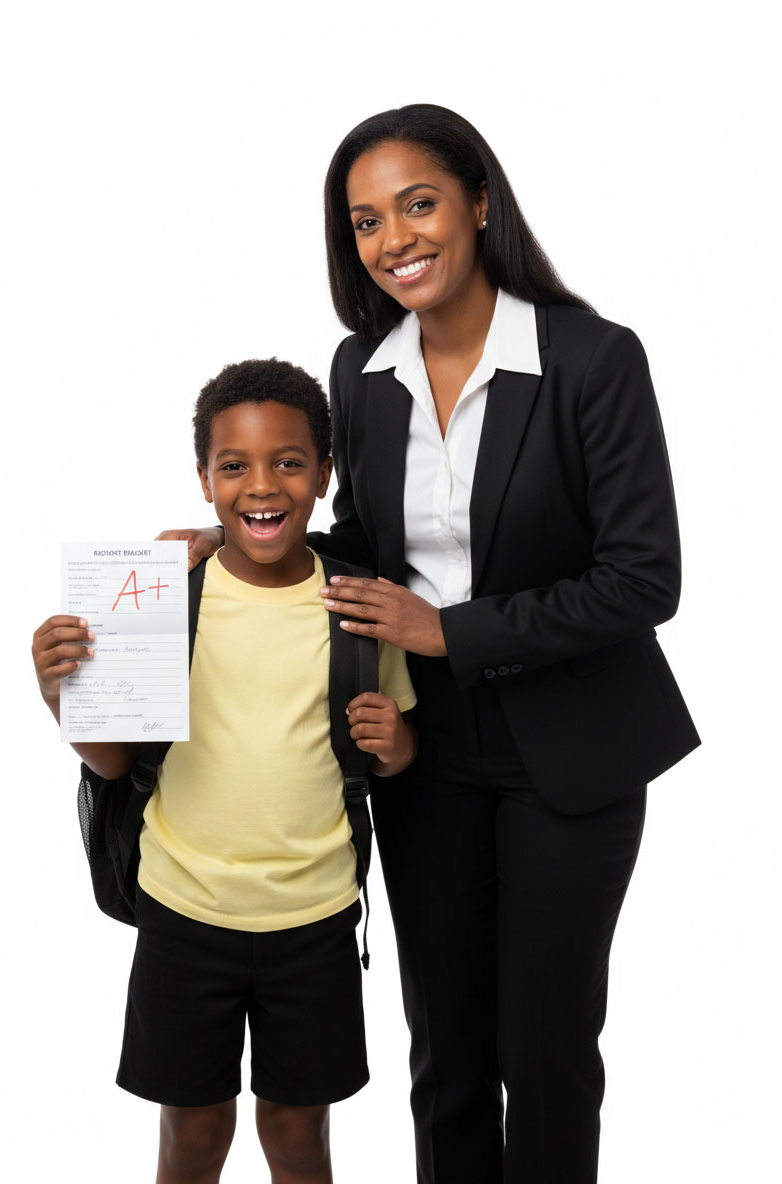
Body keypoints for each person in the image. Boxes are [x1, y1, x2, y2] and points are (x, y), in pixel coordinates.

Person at [161, 105, 700, 1184]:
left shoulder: (592, 358)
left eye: (418, 205)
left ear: (480, 204)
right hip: (425, 741)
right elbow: (367, 541)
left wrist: (448, 629)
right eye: (366, 221)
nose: (394, 239)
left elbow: (644, 579)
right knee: (446, 1045)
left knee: (543, 1046)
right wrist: (243, 540)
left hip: (571, 739)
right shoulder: (363, 367)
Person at [32, 359, 417, 1184]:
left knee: (299, 1138)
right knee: (194, 1137)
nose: (262, 485)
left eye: (289, 461)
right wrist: (63, 698)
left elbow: (396, 749)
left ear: (324, 474)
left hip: (314, 917)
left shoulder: (356, 604)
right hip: (184, 913)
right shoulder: (163, 596)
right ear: (205, 480)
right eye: (234, 465)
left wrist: (396, 742)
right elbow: (116, 760)